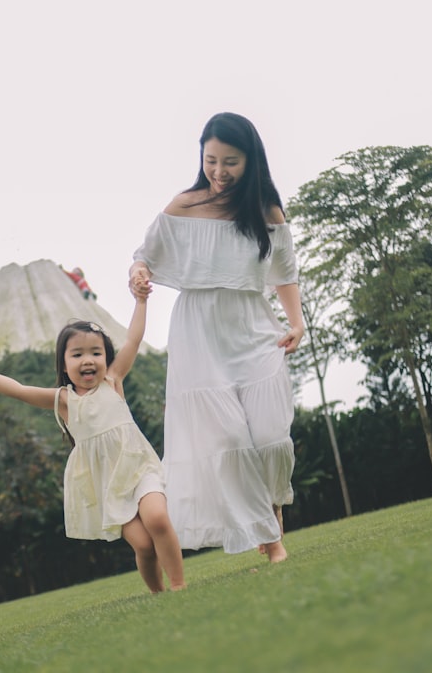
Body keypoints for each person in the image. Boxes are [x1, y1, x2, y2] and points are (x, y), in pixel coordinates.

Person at [129, 112, 304, 563]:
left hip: (252, 326)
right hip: (199, 331)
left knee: (271, 438)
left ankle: (271, 517)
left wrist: (297, 322)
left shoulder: (266, 211)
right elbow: (143, 257)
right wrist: (139, 275)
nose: (220, 172)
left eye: (231, 162)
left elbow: (284, 272)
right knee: (228, 441)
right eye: (211, 160)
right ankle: (273, 542)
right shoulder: (184, 206)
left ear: (251, 161)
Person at [0, 281, 185, 593]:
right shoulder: (63, 400)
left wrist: (140, 301)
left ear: (106, 358)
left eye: (96, 352)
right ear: (64, 363)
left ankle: (178, 586)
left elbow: (133, 340)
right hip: (109, 484)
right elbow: (18, 390)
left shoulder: (113, 381)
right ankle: (158, 593)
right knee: (143, 545)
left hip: (139, 468)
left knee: (158, 520)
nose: (89, 360)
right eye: (78, 354)